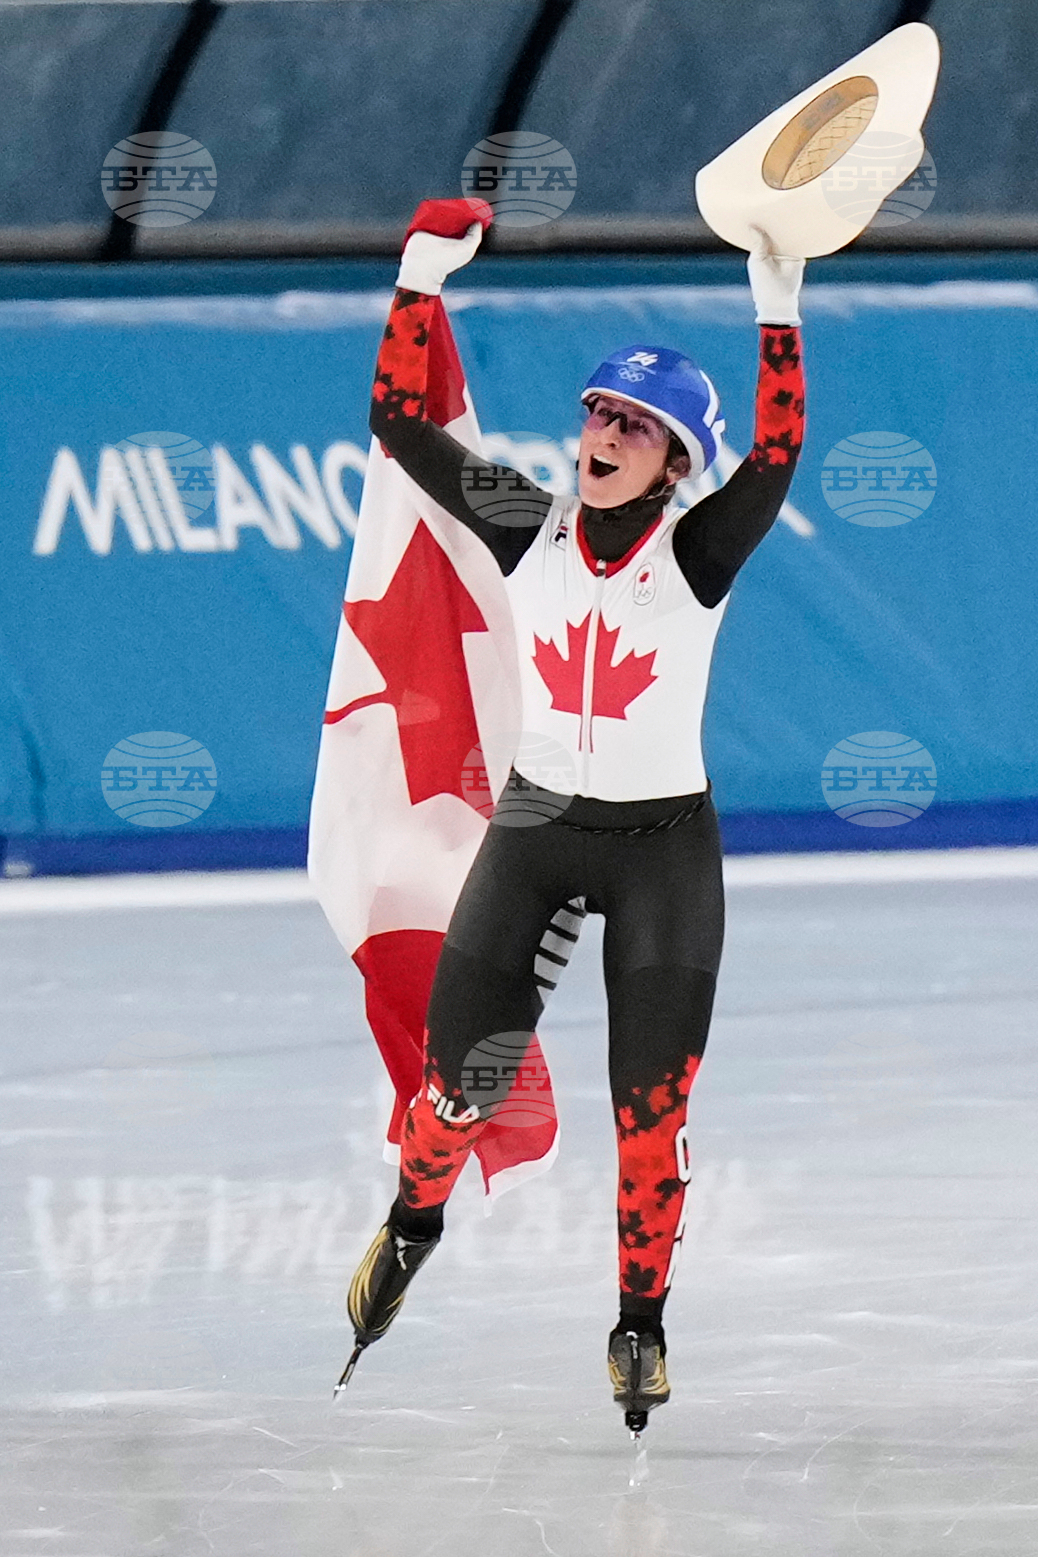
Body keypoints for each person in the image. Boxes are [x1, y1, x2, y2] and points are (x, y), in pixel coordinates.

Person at [341, 203, 806, 1434]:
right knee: (456, 1092)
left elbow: (777, 459)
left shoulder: (702, 551)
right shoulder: (526, 520)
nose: (603, 434)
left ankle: (640, 1324)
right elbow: (399, 423)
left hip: (663, 848)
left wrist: (779, 308)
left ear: (672, 465)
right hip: (539, 831)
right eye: (599, 412)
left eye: (635, 428)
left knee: (652, 1117)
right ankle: (412, 1220)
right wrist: (416, 280)